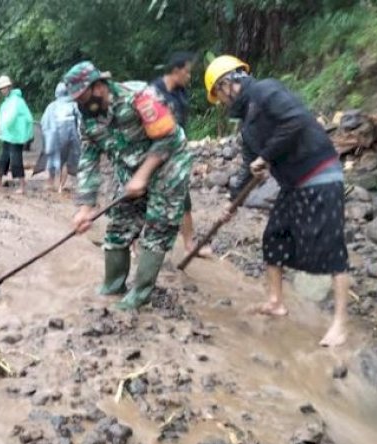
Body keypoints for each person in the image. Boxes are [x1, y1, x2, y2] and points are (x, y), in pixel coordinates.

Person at [205, 55, 349, 347]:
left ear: (227, 84)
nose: (221, 103)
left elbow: (296, 120)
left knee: (330, 247)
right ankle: (275, 301)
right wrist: (231, 204)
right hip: (293, 183)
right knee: (274, 236)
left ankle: (340, 324)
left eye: (218, 95)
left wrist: (266, 156)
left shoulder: (265, 90)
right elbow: (249, 169)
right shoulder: (246, 125)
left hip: (319, 172)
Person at [64, 61, 193, 310]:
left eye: (82, 97)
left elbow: (166, 138)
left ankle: (140, 295)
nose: (80, 104)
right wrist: (85, 207)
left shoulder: (139, 97)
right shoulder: (87, 119)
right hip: (131, 167)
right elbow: (89, 160)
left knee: (158, 226)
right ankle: (113, 285)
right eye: (76, 100)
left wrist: (143, 176)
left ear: (98, 87)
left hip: (169, 163)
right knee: (119, 225)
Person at [153, 51, 213, 258]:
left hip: (177, 154)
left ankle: (189, 244)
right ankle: (135, 245)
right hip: (155, 153)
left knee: (184, 199)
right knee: (146, 198)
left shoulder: (181, 93)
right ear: (176, 71)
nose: (189, 77)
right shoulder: (154, 92)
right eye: (187, 72)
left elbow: (182, 123)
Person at [39, 82, 81, 192]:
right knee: (66, 162)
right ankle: (61, 187)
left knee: (53, 159)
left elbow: (43, 122)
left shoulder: (52, 106)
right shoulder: (74, 105)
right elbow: (81, 121)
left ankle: (51, 181)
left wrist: (46, 136)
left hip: (54, 138)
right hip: (71, 137)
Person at [0, 75, 34, 194]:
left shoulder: (17, 101)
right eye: (1, 88)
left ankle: (22, 186)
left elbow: (11, 118)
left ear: (9, 87)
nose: (3, 90)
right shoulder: (6, 102)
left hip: (16, 136)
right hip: (8, 135)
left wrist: (1, 127)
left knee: (16, 160)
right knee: (3, 158)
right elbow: (2, 117)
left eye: (5, 88)